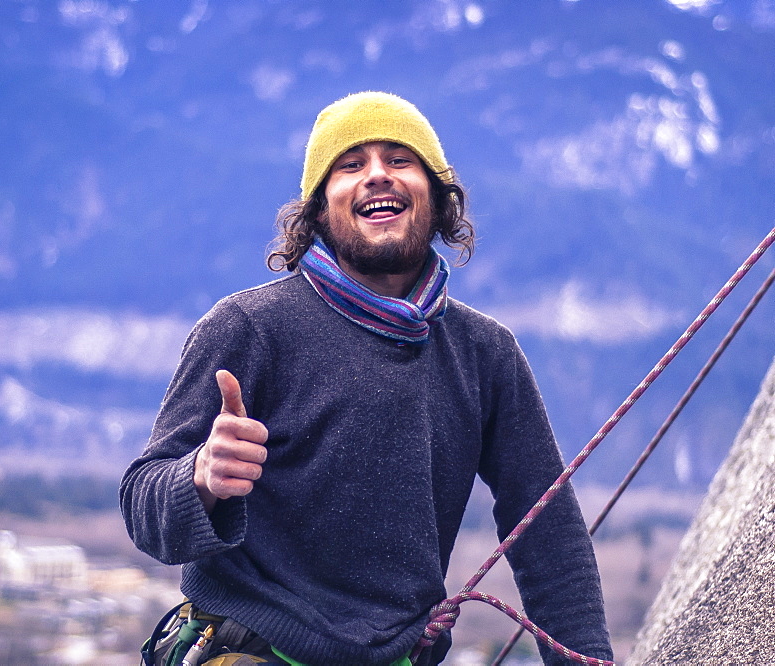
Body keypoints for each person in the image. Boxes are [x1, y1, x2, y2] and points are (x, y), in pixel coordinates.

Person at [120, 92, 613, 666]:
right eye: (350, 165)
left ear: (437, 198)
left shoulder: (485, 353)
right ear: (319, 211)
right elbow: (144, 510)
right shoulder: (248, 328)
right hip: (249, 648)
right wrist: (200, 477)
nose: (378, 175)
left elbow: (547, 529)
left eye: (400, 160)